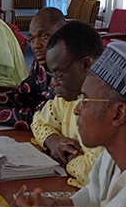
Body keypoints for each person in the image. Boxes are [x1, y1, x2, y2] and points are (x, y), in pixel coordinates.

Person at [13, 41, 126, 206]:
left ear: (118, 114)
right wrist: (54, 204)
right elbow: (95, 194)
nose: (77, 109)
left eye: (85, 100)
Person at [0, 7, 66, 129]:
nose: (36, 45)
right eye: (32, 39)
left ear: (63, 34)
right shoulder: (42, 61)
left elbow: (45, 118)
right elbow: (24, 94)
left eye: (44, 36)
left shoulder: (69, 71)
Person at [28, 21, 104, 188]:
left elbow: (98, 174)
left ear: (86, 64)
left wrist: (70, 160)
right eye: (51, 73)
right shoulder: (68, 95)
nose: (53, 82)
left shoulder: (107, 107)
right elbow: (38, 120)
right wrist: (52, 140)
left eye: (59, 74)